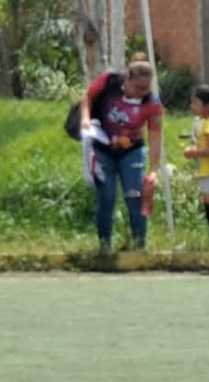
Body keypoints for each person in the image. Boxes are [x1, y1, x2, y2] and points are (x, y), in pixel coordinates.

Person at [77, 52, 162, 251]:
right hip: (102, 147)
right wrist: (85, 118)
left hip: (131, 152)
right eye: (138, 87)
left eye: (146, 88)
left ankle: (139, 245)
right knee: (106, 196)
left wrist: (154, 169)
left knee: (135, 196)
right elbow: (87, 97)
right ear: (127, 79)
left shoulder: (152, 103)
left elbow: (155, 135)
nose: (142, 92)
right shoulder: (109, 81)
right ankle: (104, 246)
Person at [183, 85, 209, 251]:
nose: (193, 106)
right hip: (206, 172)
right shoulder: (203, 123)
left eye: (196, 103)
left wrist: (193, 153)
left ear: (207, 106)